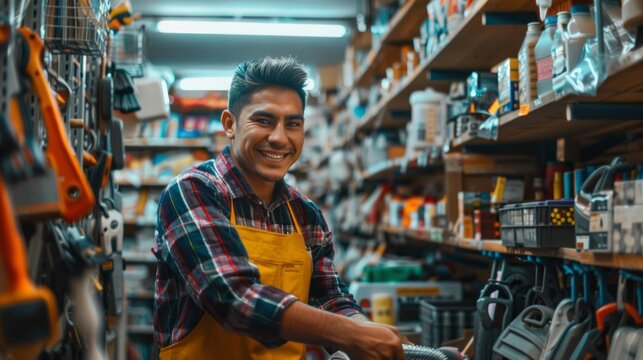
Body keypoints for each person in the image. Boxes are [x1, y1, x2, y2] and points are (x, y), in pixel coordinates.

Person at [152, 57, 409, 360]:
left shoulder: (306, 214)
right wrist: (352, 334)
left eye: (292, 124)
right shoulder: (193, 191)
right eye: (263, 121)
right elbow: (231, 297)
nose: (279, 138)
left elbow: (329, 295)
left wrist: (364, 329)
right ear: (230, 124)